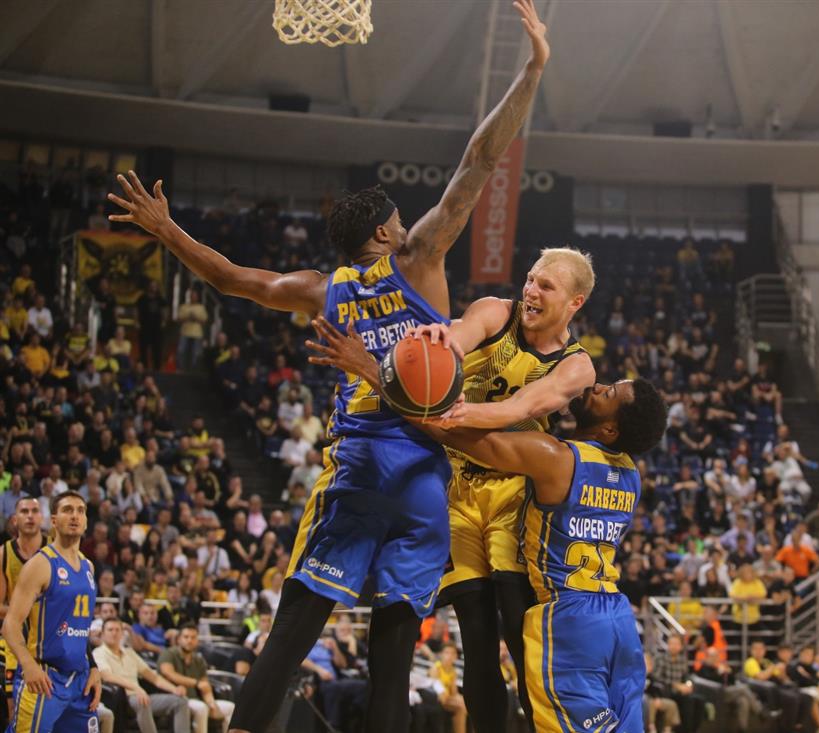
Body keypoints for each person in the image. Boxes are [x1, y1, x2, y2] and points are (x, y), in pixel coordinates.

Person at [107, 3, 549, 730]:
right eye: (399, 218)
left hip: (360, 466)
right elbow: (480, 158)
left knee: (295, 626)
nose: (406, 222)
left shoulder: (321, 289)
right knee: (394, 645)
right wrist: (532, 69)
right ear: (384, 231)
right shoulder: (421, 258)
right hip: (424, 475)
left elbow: (229, 278)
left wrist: (165, 229)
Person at [309, 246, 597, 733]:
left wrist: (444, 412)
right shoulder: (494, 311)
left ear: (575, 301)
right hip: (458, 493)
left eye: (546, 286)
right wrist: (440, 342)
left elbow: (518, 408)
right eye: (530, 279)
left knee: (516, 626)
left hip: (514, 497)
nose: (530, 290)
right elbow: (458, 338)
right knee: (477, 635)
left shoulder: (577, 366)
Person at [413, 379, 668, 731]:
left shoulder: (557, 458)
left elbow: (467, 441)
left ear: (610, 428)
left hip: (569, 620)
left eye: (608, 394)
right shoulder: (631, 475)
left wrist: (387, 382)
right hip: (617, 622)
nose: (597, 387)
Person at [1, 491, 102, 733]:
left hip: (79, 679)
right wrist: (29, 665)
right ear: (54, 521)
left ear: (86, 520)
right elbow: (10, 625)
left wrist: (94, 667)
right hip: (45, 676)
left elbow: (81, 625)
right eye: (68, 510)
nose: (75, 516)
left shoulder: (88, 566)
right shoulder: (40, 564)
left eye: (80, 510)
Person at [94, 617, 191, 733]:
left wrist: (174, 689)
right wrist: (136, 687)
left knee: (181, 701)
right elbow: (107, 676)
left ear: (122, 633)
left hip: (140, 694)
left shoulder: (129, 652)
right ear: (103, 633)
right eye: (110, 630)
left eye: (117, 630)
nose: (114, 633)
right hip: (122, 697)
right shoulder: (98, 653)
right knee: (142, 702)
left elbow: (153, 677)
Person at [0, 496, 46, 719]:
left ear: (43, 517)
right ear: (14, 520)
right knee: (14, 712)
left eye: (35, 511)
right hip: (15, 638)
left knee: (50, 708)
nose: (30, 515)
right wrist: (25, 610)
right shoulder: (3, 554)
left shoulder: (55, 551)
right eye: (24, 511)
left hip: (50, 637)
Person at [158, 623, 235, 733]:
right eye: (186, 637)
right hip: (176, 698)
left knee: (230, 707)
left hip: (197, 699)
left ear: (197, 640)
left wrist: (211, 702)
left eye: (193, 637)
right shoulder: (168, 653)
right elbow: (168, 673)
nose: (189, 640)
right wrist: (195, 683)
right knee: (201, 708)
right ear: (179, 639)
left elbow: (205, 685)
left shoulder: (198, 660)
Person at [431, 642, 467, 733]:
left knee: (470, 704)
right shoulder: (436, 668)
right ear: (441, 654)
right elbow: (436, 689)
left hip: (449, 698)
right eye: (447, 652)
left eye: (452, 653)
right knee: (462, 707)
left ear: (455, 656)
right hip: (438, 698)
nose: (449, 656)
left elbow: (454, 693)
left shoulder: (453, 671)